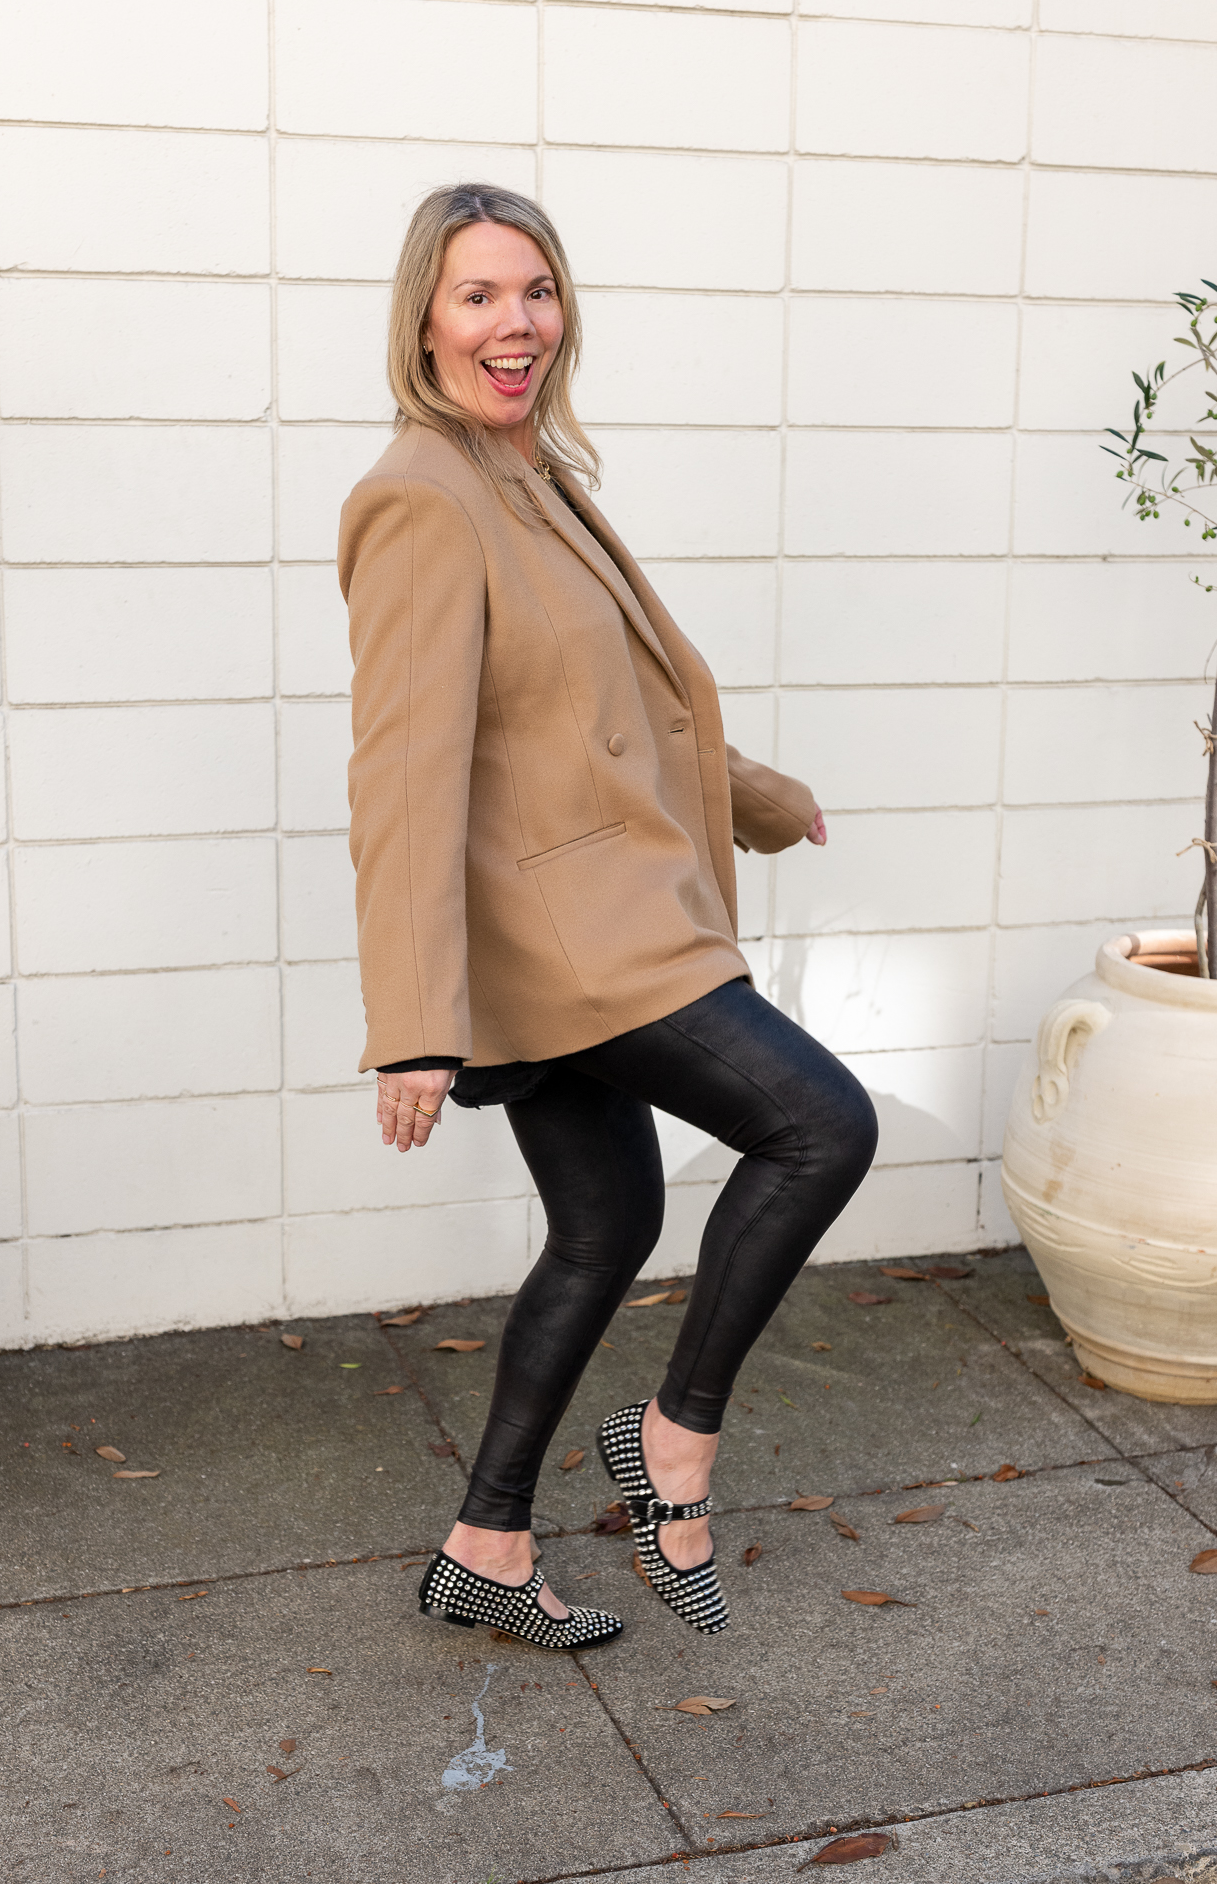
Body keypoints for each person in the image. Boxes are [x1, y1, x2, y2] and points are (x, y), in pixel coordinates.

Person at [338, 183, 877, 1651]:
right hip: (574, 937)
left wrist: (757, 797)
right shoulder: (423, 495)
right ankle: (672, 1442)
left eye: (536, 290)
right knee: (821, 1125)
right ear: (424, 322)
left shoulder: (528, 467)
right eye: (477, 296)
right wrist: (414, 1024)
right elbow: (403, 776)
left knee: (606, 1223)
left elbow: (599, 699)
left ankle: (485, 1546)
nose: (513, 322)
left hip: (585, 910)